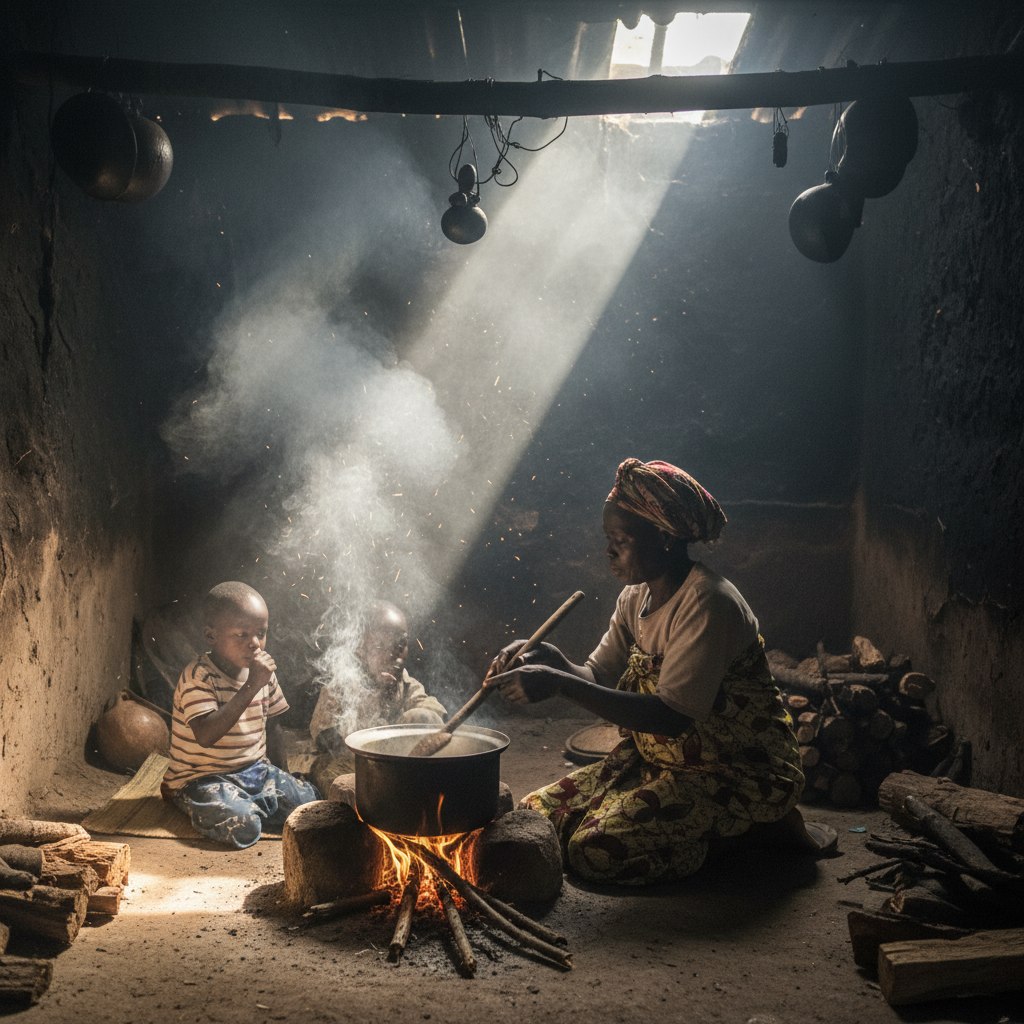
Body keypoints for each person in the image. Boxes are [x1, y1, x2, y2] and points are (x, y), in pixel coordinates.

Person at [489, 458, 835, 884]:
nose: (609, 550)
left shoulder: (708, 602)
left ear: (666, 539)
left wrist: (556, 684)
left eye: (621, 539)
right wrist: (550, 659)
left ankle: (760, 830)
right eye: (608, 538)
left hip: (730, 772)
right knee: (537, 816)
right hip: (660, 764)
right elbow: (597, 676)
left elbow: (669, 716)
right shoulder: (635, 598)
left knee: (594, 851)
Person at [161, 582, 320, 849]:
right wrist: (251, 686)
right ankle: (187, 799)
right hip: (201, 778)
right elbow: (206, 735)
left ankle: (256, 800)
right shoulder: (198, 676)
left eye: (261, 633)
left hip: (254, 770)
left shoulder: (263, 674)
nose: (255, 643)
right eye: (242, 634)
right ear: (211, 636)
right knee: (244, 826)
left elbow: (273, 728)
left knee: (310, 805)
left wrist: (282, 775)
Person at [308, 601, 446, 801]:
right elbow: (323, 736)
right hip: (350, 764)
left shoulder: (406, 684)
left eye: (400, 646)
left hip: (397, 765)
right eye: (380, 646)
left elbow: (430, 712)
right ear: (360, 651)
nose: (393, 656)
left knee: (423, 719)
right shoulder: (343, 685)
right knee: (342, 788)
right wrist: (362, 723)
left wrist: (404, 726)